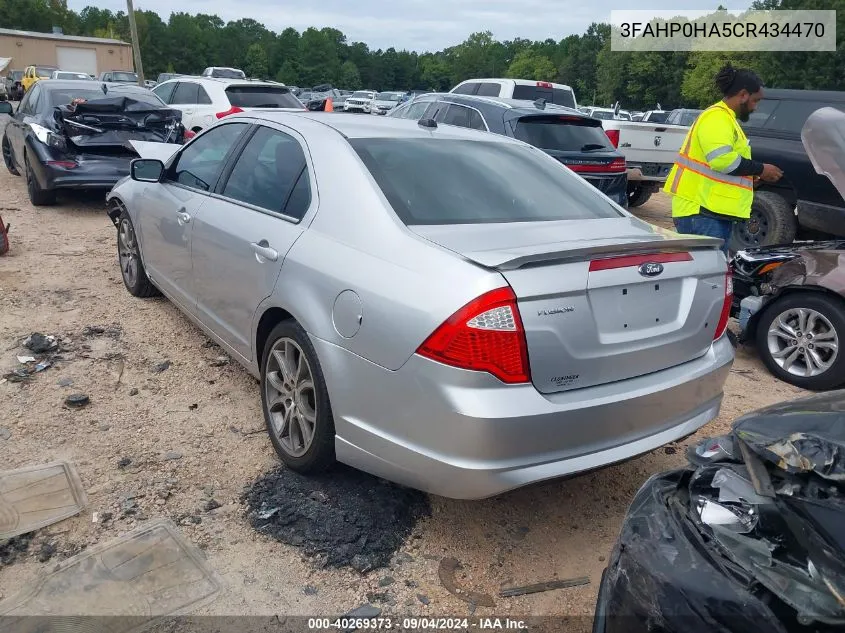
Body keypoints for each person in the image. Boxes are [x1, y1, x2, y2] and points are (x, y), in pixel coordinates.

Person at [663, 63, 783, 256]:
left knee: (711, 278)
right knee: (709, 280)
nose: (755, 107)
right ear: (743, 95)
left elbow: (720, 166)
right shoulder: (717, 118)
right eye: (755, 100)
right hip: (701, 213)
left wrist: (748, 177)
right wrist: (760, 169)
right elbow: (722, 161)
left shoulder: (726, 119)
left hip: (707, 212)